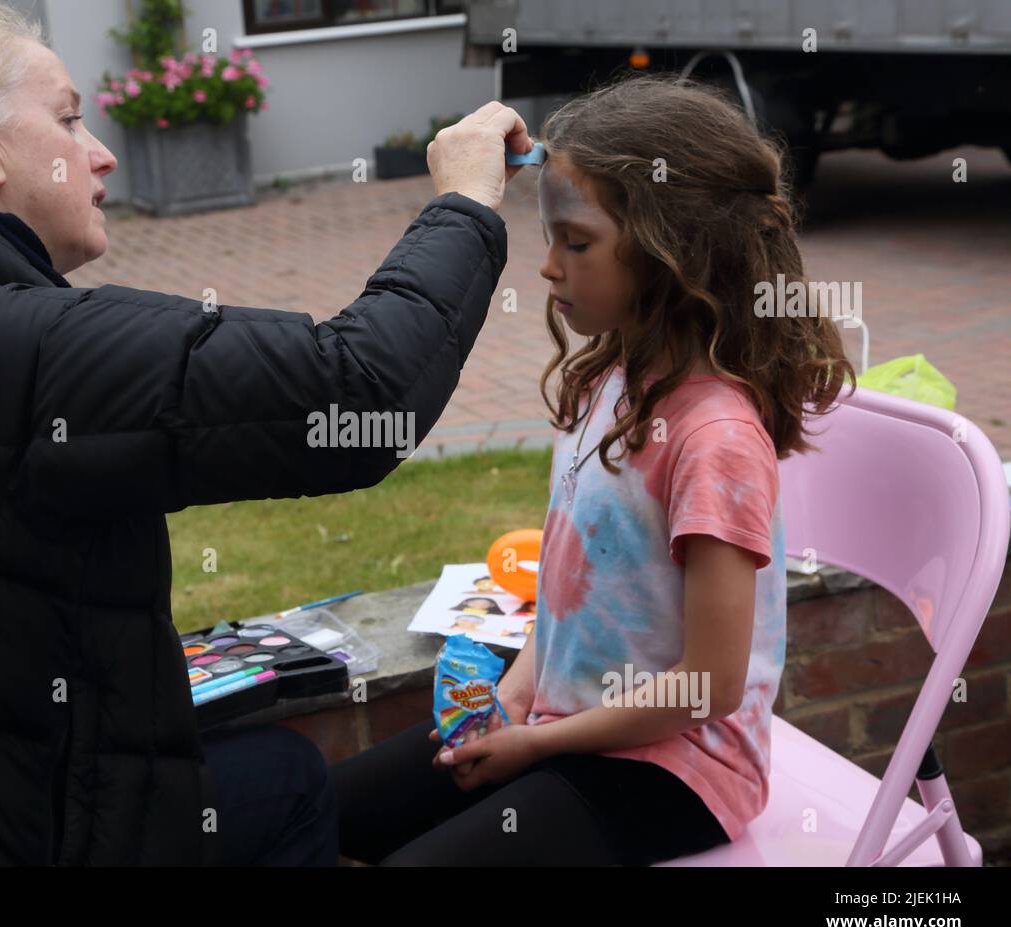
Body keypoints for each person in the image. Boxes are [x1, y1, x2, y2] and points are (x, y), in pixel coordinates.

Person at [0, 1, 536, 865]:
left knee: (272, 777)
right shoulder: (27, 345)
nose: (99, 152)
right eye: (68, 118)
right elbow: (360, 393)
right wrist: (468, 200)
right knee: (285, 783)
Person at [331, 72, 857, 866]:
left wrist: (539, 747)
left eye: (575, 242)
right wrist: (510, 700)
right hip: (565, 724)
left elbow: (708, 688)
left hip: (680, 767)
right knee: (330, 814)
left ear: (672, 251)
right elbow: (575, 587)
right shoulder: (611, 381)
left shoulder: (715, 437)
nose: (548, 267)